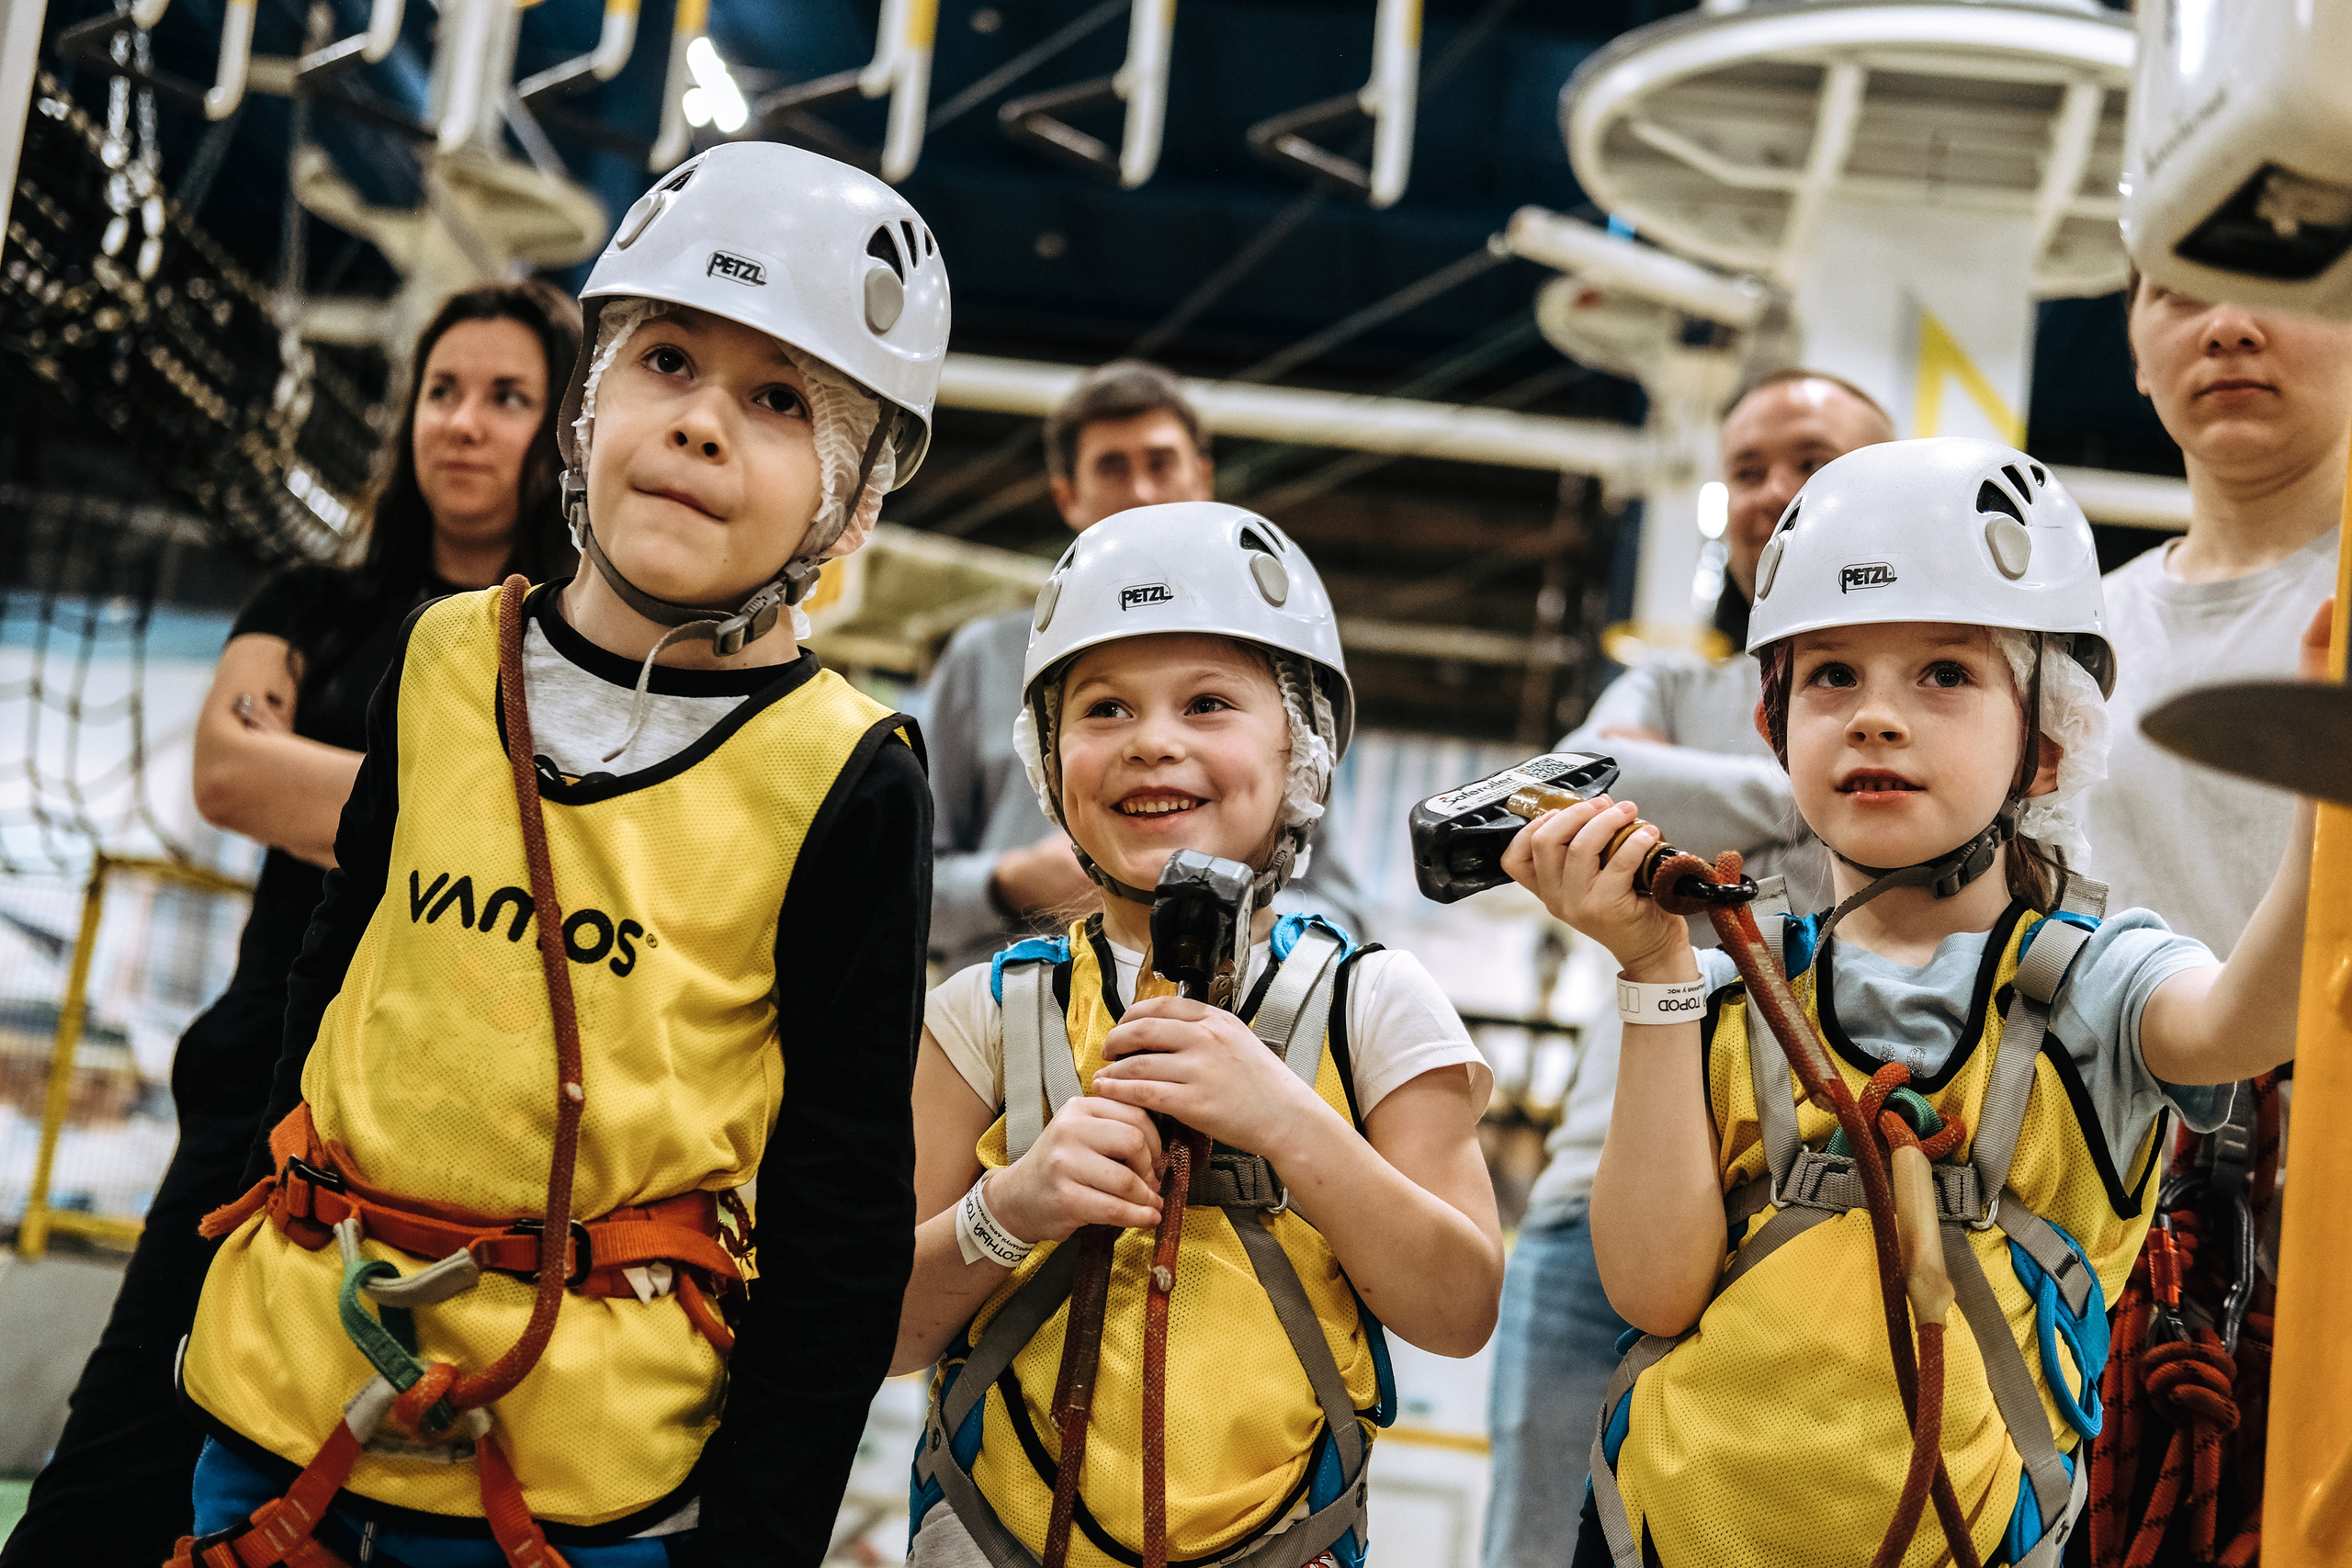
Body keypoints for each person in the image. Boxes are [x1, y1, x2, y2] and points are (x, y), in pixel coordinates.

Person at [167, 142, 945, 1568]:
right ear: (590, 408)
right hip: (290, 1426)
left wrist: (755, 1540)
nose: (703, 423)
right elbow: (335, 972)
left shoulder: (852, 778)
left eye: (780, 400)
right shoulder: (440, 656)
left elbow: (840, 1207)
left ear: (855, 503)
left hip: (580, 1490)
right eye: (666, 360)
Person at [1505, 438, 2318, 1566]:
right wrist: (1651, 973)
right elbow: (1655, 1289)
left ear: (2047, 744)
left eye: (1945, 674)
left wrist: (2327, 801)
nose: (1875, 718)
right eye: (1831, 676)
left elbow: (2245, 1022)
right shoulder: (1735, 981)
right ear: (1772, 726)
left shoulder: (2102, 980)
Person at [0, 280, 581, 1568]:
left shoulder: (559, 654)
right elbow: (227, 773)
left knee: (340, 1495)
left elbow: (294, 781)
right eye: (442, 391)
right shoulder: (311, 605)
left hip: (447, 1129)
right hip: (260, 1092)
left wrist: (326, 778)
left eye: (506, 398)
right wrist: (471, 802)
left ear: (556, 437)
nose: (465, 425)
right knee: (114, 1469)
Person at [895, 502, 1502, 1568]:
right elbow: (881, 1332)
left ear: (1301, 748)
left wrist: (1284, 1119)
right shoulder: (982, 1014)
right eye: (1104, 709)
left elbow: (1456, 1308)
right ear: (1048, 758)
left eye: (1208, 703)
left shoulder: (1375, 1007)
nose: (1152, 741)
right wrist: (1011, 1206)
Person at [1483, 367, 1894, 1568]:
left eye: (1808, 458)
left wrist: (1698, 795)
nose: (1772, 491)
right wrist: (1815, 800)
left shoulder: (1929, 706)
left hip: (1811, 1207)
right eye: (1749, 467)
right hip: (1592, 1195)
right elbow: (1575, 779)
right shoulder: (1677, 681)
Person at [926, 360, 1362, 979]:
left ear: (1203, 477)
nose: (1143, 492)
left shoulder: (1279, 661)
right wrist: (1008, 882)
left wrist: (1231, 905)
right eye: (1112, 467)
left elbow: (1343, 908)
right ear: (1066, 495)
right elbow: (900, 887)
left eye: (1161, 463)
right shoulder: (982, 659)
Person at [2078, 272, 2352, 955]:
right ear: (2137, 354)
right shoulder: (2073, 632)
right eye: (2181, 291)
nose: (2230, 326)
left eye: (2279, 286)